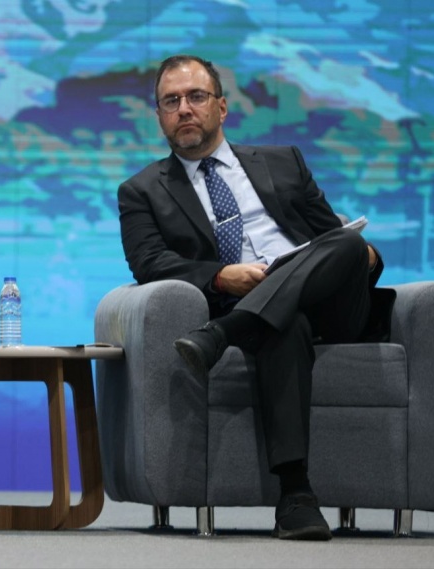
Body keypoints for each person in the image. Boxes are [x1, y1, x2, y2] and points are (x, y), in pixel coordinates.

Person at [118, 54, 393, 541]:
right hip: (248, 305)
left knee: (348, 244)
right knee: (283, 323)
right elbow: (149, 263)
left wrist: (364, 257)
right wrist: (221, 277)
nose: (184, 109)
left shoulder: (285, 162)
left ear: (222, 107)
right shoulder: (141, 190)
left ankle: (222, 334)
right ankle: (296, 497)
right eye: (171, 101)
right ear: (158, 116)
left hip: (329, 306)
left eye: (196, 96)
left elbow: (331, 238)